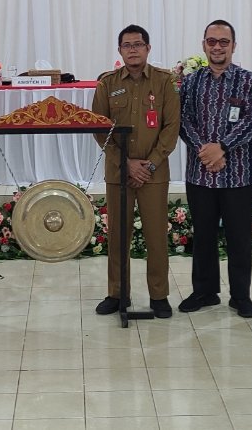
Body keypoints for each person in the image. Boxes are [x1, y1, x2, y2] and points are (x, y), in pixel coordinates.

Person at [178, 20, 252, 318]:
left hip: (239, 173)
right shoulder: (191, 82)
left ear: (233, 46)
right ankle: (205, 291)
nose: (217, 47)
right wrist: (206, 152)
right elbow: (182, 120)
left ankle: (240, 295)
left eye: (223, 42)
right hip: (200, 174)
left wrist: (222, 148)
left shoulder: (248, 81)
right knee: (203, 235)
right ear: (204, 45)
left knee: (239, 237)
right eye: (212, 41)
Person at [90, 25, 180, 319]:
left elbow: (171, 128)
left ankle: (159, 295)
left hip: (154, 172)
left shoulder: (165, 82)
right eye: (127, 45)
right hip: (119, 172)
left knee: (156, 237)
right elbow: (99, 129)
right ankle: (117, 293)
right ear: (119, 51)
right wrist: (126, 162)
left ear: (148, 48)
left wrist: (149, 164)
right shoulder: (107, 84)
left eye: (138, 44)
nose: (133, 49)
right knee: (118, 236)